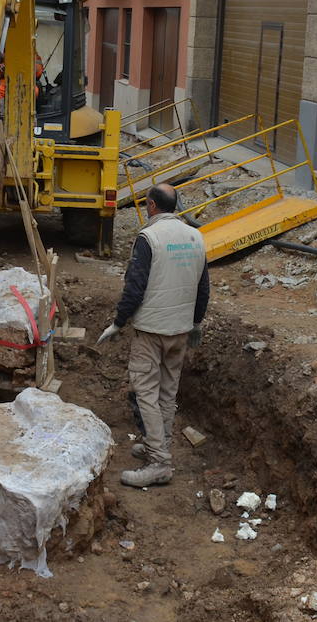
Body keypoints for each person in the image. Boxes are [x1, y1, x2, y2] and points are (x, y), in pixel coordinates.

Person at [96, 183, 209, 488]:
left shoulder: (149, 238)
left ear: (151, 206)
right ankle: (155, 446)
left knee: (145, 392)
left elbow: (135, 286)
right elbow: (202, 288)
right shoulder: (195, 236)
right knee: (167, 393)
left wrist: (118, 323)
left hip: (152, 330)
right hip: (180, 330)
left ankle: (159, 462)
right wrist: (195, 322)